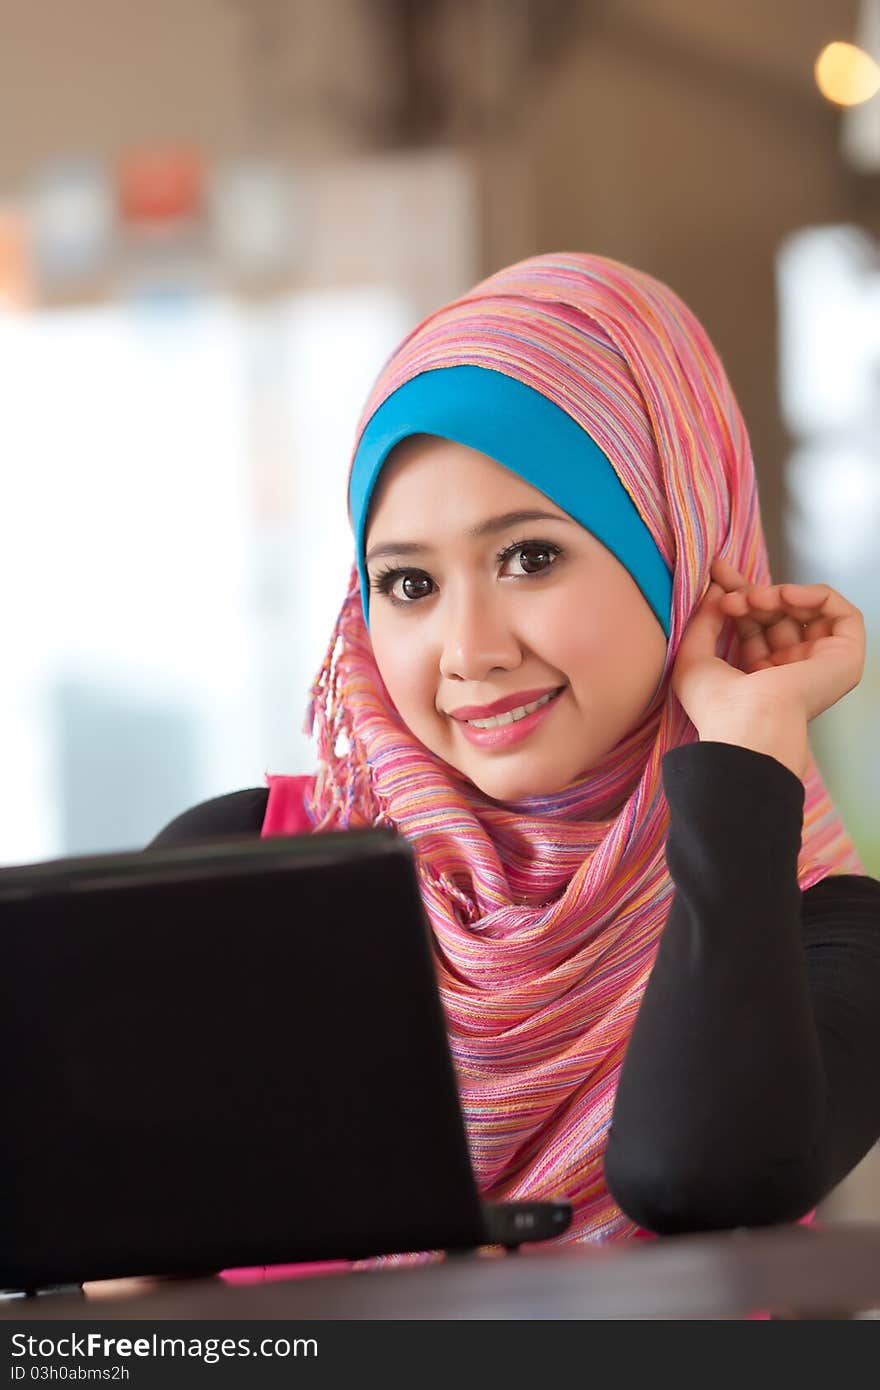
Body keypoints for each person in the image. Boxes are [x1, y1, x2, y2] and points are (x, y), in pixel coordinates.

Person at [151, 251, 880, 1257]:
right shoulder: (235, 872)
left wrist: (748, 741)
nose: (471, 649)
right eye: (407, 583)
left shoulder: (817, 938)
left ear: (678, 546)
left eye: (529, 557)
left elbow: (697, 1171)